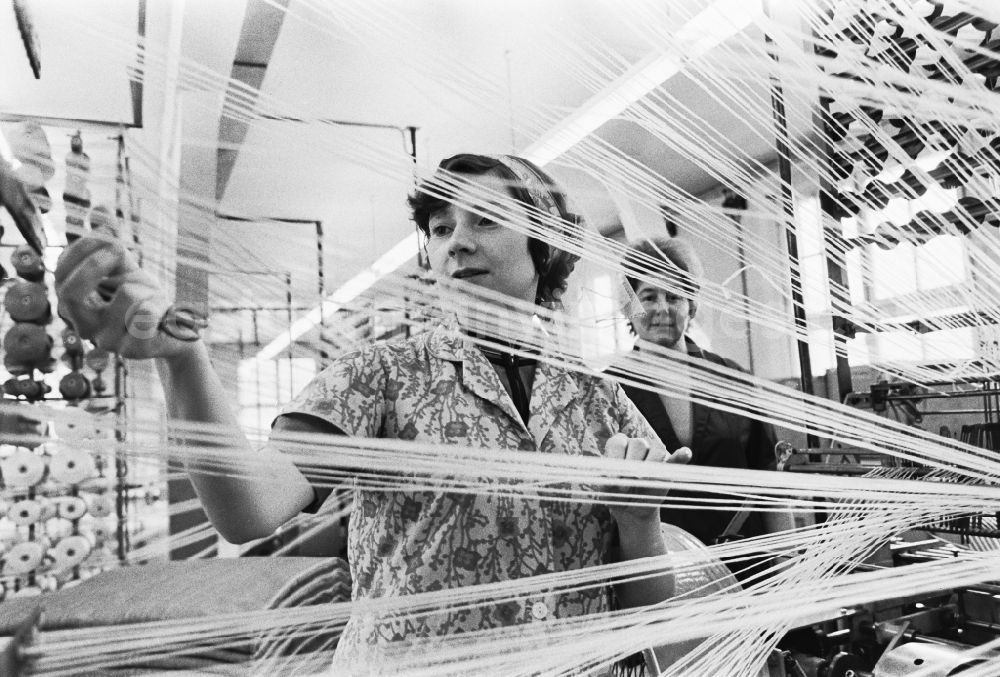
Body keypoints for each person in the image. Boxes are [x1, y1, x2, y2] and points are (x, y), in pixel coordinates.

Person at [53, 153, 691, 670]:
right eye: (441, 229)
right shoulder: (380, 376)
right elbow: (247, 508)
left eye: (485, 221)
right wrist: (183, 360)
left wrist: (640, 523)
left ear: (546, 246)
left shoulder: (600, 403)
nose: (456, 244)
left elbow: (649, 613)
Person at [616, 237, 782, 580]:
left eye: (674, 296)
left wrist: (789, 566)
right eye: (648, 296)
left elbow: (770, 480)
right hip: (662, 576)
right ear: (629, 307)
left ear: (691, 306)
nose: (662, 308)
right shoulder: (605, 390)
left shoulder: (734, 380)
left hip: (748, 568)